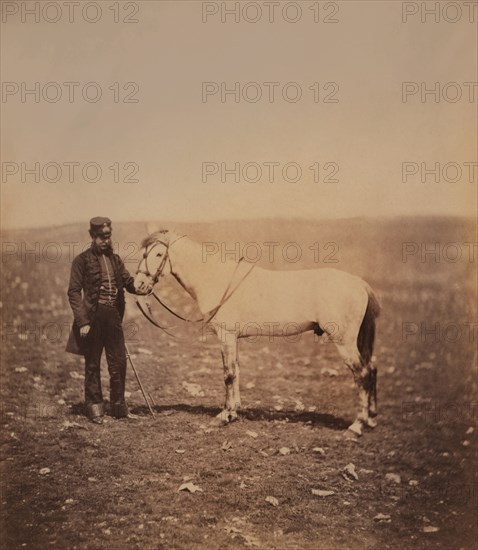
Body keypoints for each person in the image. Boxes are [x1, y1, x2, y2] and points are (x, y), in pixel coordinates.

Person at [66, 216, 137, 424]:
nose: (105, 241)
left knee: (119, 362)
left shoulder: (115, 260)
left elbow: (128, 282)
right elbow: (73, 292)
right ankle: (94, 407)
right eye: (101, 237)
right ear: (92, 236)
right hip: (92, 320)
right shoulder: (81, 260)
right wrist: (83, 322)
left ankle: (118, 406)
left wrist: (141, 287)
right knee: (93, 363)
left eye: (108, 236)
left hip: (113, 317)